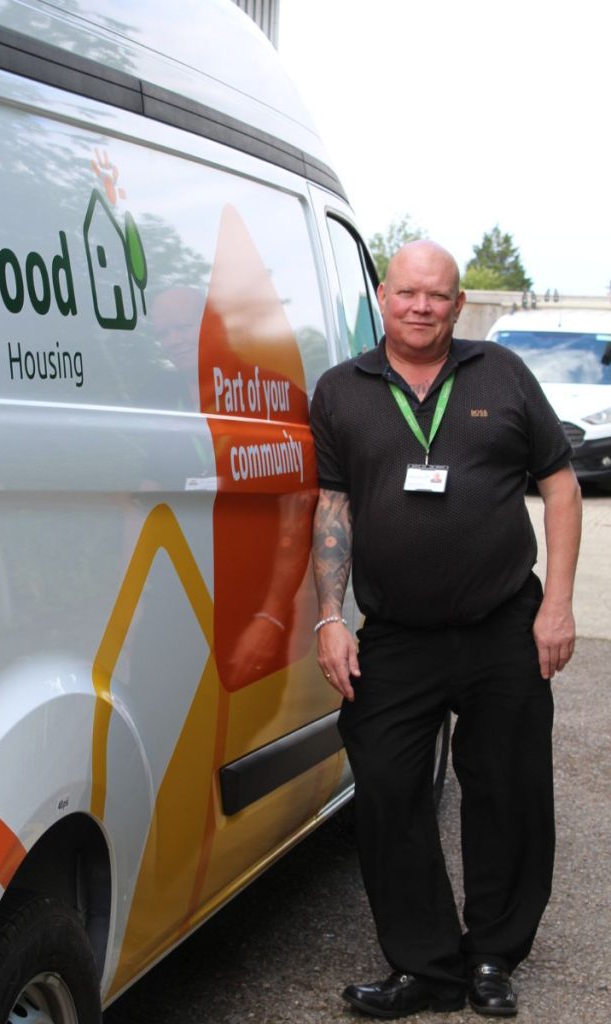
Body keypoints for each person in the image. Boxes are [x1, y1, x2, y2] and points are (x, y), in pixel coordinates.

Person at [309, 240, 582, 1019]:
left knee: (507, 792)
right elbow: (334, 508)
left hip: (504, 626)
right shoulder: (341, 391)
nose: (422, 307)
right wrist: (332, 616)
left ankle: (493, 955)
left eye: (438, 295)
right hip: (396, 633)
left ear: (458, 305)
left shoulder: (501, 374)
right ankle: (426, 966)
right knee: (391, 791)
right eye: (407, 294)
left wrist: (557, 607)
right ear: (383, 299)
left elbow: (562, 490)